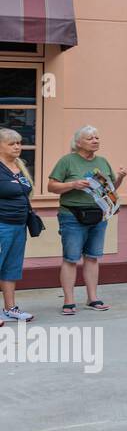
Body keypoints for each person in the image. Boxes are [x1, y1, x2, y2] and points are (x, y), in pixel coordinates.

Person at [48, 125, 125, 316]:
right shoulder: (67, 161)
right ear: (78, 142)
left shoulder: (102, 161)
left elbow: (110, 189)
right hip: (72, 215)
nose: (96, 141)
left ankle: (93, 298)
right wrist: (73, 184)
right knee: (71, 258)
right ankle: (69, 301)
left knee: (92, 257)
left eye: (97, 137)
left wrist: (120, 178)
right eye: (90, 138)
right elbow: (52, 186)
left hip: (98, 215)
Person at [0, 128, 35, 323]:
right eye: (11, 143)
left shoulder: (20, 166)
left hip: (19, 225)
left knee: (11, 268)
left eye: (19, 143)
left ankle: (10, 308)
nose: (17, 146)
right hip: (1, 225)